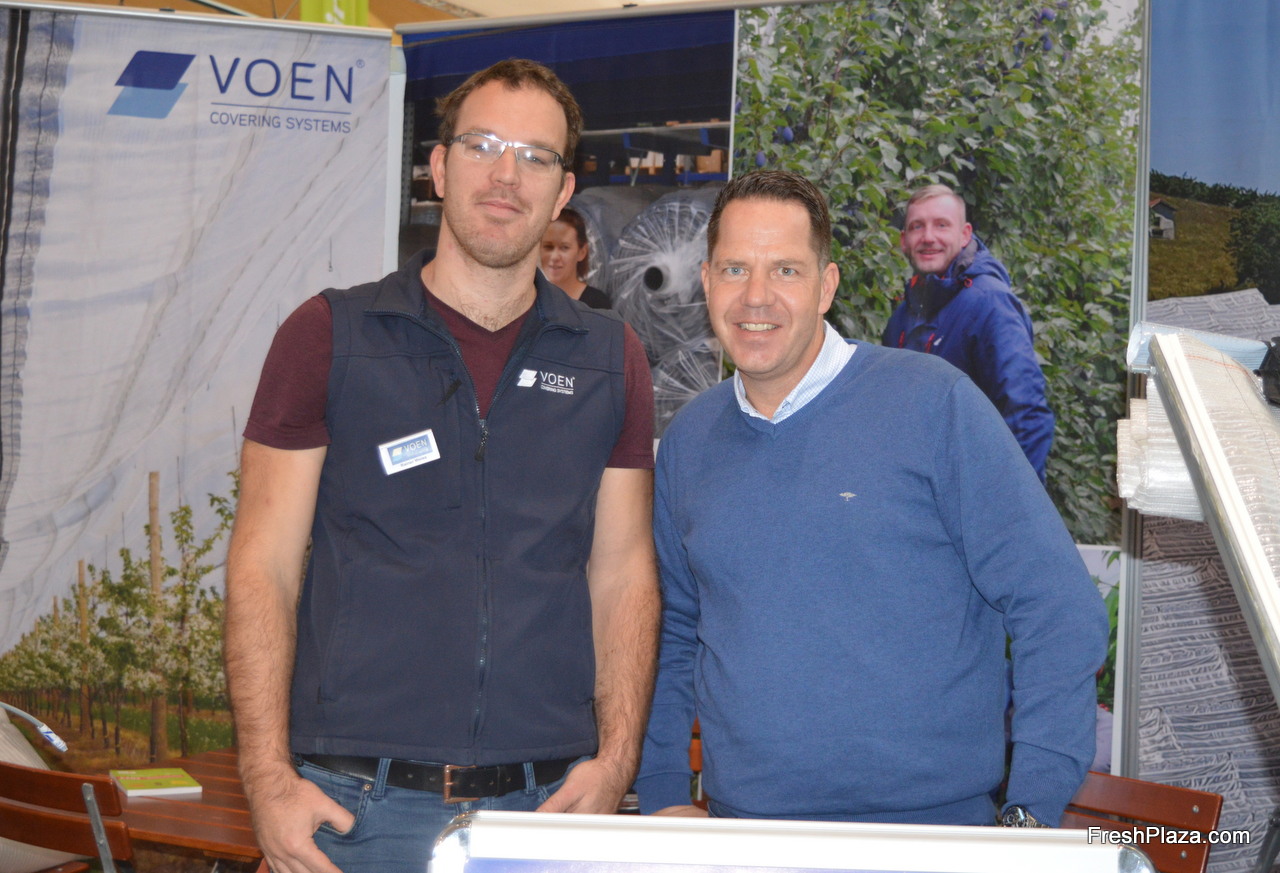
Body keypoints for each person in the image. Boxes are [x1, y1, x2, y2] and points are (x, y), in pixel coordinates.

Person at [224, 59, 659, 873]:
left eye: (535, 156)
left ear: (563, 191)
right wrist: (266, 776)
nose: (506, 175)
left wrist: (616, 762)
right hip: (354, 808)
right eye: (483, 145)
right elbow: (263, 565)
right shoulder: (330, 336)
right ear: (438, 166)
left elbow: (624, 572)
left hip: (547, 807)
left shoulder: (610, 358)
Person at [635, 170, 1107, 828]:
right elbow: (674, 630)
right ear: (707, 281)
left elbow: (1057, 607)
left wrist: (1030, 811)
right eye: (736, 269)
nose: (756, 296)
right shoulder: (689, 441)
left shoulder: (932, 403)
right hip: (743, 832)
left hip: (929, 836)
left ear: (826, 286)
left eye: (786, 270)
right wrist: (661, 789)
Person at [883, 184, 1054, 481]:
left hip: (975, 493)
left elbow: (1025, 416)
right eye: (917, 226)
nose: (928, 237)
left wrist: (1007, 500)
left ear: (964, 235)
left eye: (942, 225)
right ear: (904, 241)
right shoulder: (902, 317)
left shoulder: (989, 304)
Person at [540, 206, 611, 308]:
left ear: (582, 252)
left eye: (564, 248)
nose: (554, 257)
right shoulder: (528, 299)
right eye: (548, 247)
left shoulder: (596, 304)